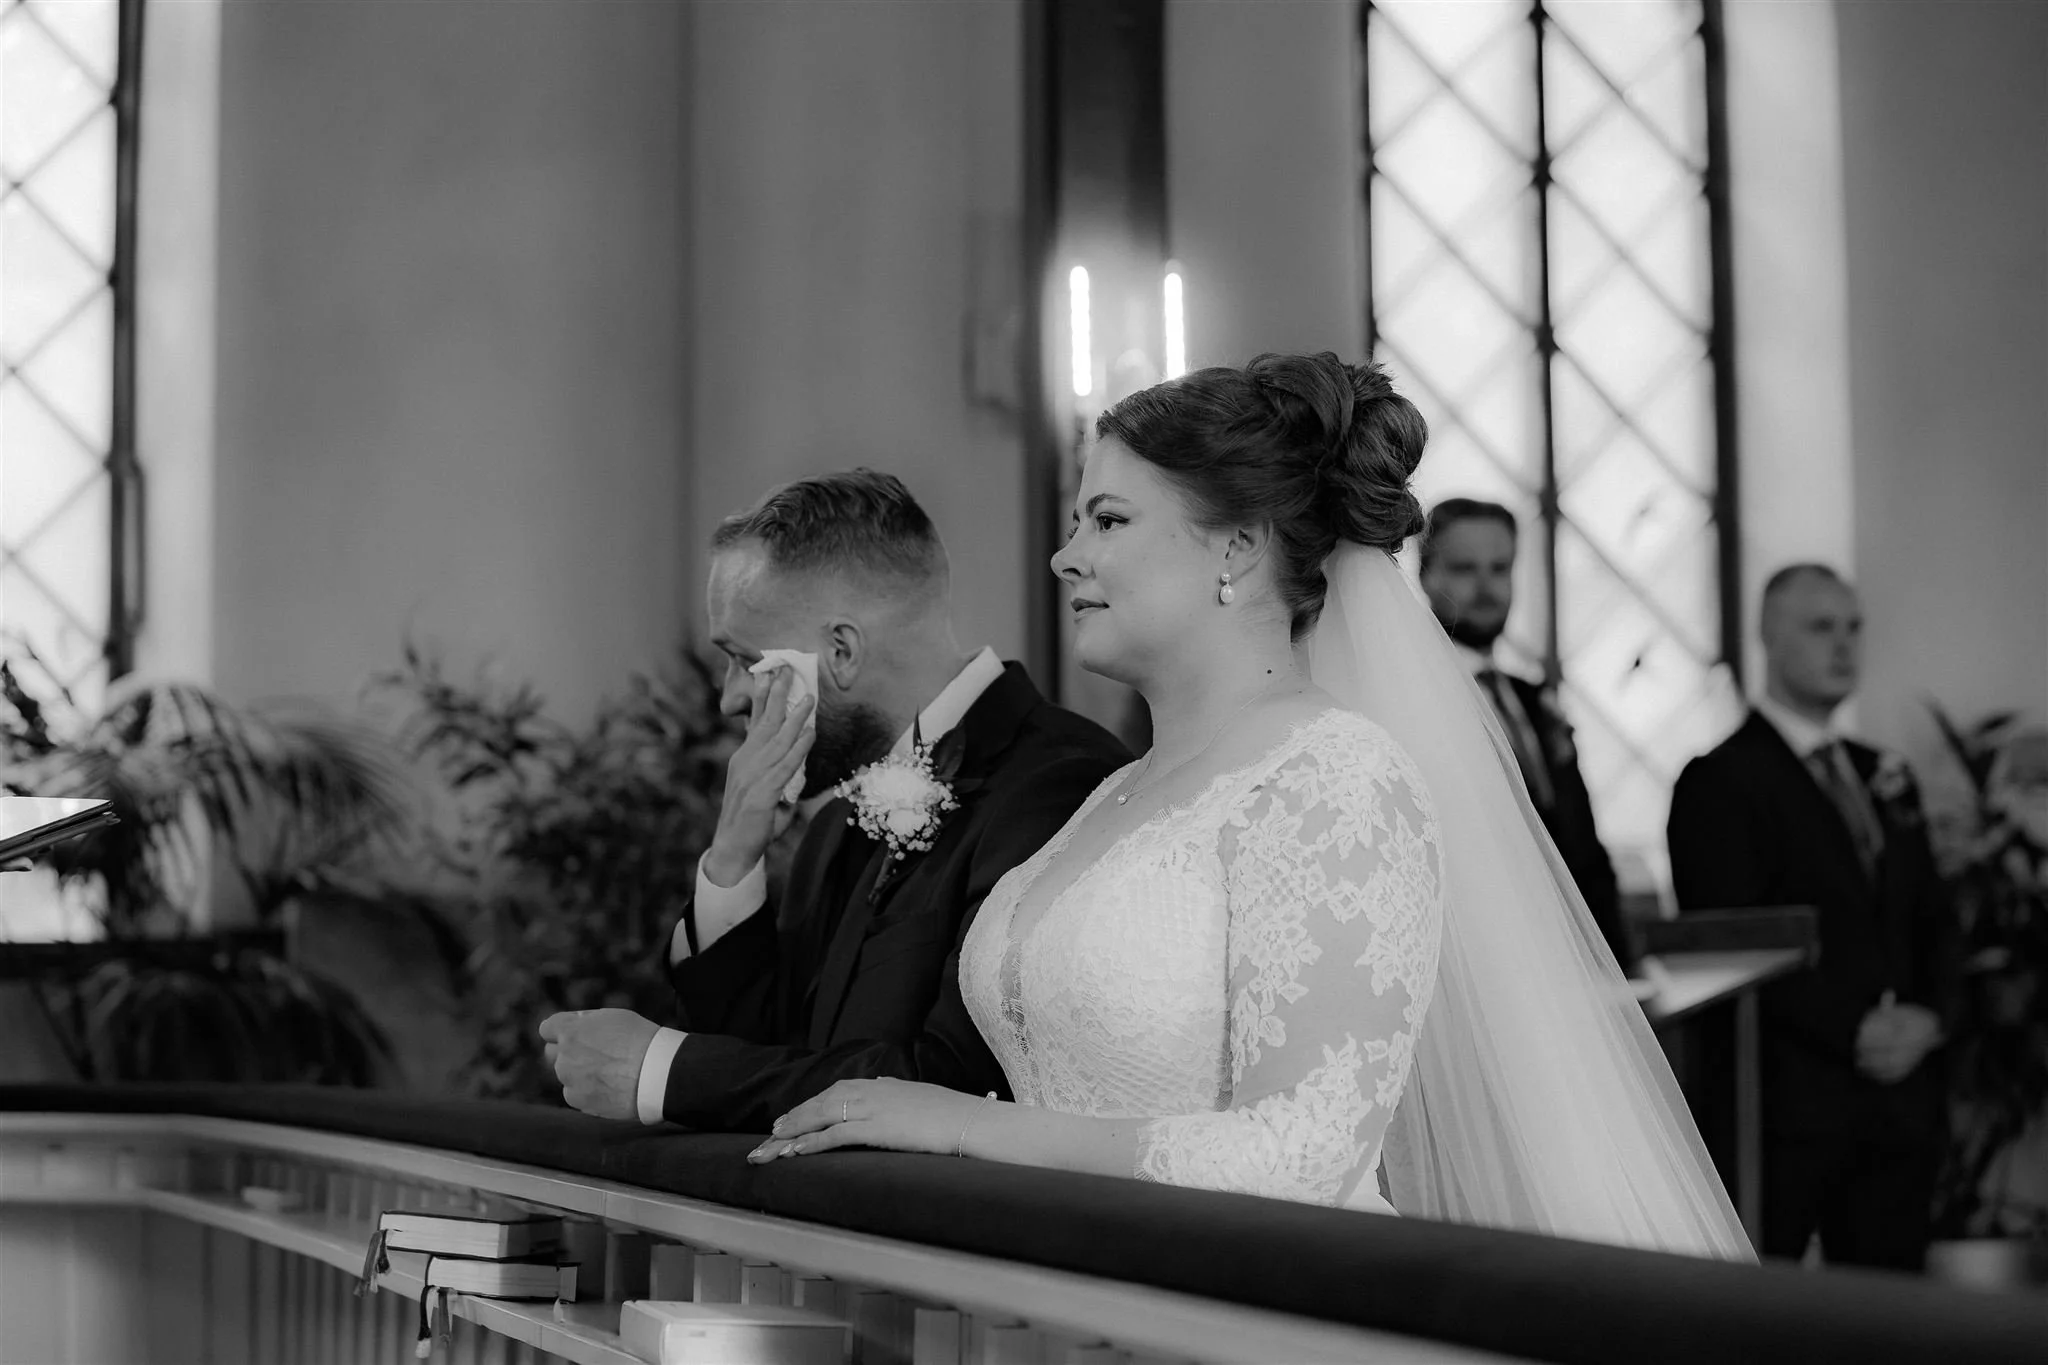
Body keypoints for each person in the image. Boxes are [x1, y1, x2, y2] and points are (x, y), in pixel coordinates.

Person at [749, 354, 1753, 1261]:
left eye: (1106, 521)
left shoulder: (1334, 779)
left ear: (1234, 551)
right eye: (1073, 524)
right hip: (1066, 1293)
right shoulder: (1111, 791)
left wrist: (960, 1126)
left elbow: (1302, 1148)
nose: (1065, 559)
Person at [540, 470, 1127, 1133]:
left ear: (841, 652)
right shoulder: (831, 828)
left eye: (743, 659)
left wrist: (661, 1072)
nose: (730, 697)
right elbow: (767, 1064)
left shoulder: (1059, 785)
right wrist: (733, 854)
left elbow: (957, 1084)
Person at [1667, 565, 1952, 1271]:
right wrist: (1855, 1026)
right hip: (1787, 1108)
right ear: (1768, 633)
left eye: (1854, 627)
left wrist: (1929, 1018)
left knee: (1893, 1326)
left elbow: (1936, 922)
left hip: (1899, 1111)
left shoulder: (1884, 772)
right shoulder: (1720, 780)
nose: (1845, 645)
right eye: (1822, 626)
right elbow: (1732, 940)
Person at [1418, 499, 1629, 969]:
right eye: (1463, 568)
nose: (1486, 587)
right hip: (1486, 965)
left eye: (1500, 568)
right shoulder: (1418, 698)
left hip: (1577, 966)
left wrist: (1622, 965)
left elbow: (1582, 848)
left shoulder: (1533, 700)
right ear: (1425, 575)